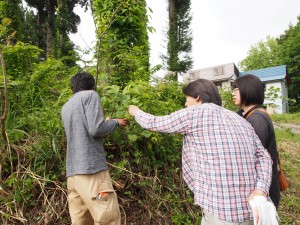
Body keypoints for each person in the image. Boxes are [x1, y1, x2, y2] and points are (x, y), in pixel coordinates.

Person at [128, 79, 273, 225]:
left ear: (197, 97)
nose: (185, 104)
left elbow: (155, 123)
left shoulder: (195, 113)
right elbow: (264, 156)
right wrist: (261, 189)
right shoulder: (239, 119)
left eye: (186, 99)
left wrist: (136, 112)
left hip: (221, 212)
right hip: (253, 211)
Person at [61, 72, 128, 225]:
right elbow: (96, 129)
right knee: (106, 215)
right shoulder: (91, 95)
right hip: (92, 176)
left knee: (81, 220)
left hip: (74, 178)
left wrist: (105, 123)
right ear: (92, 85)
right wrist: (115, 122)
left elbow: (84, 131)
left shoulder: (66, 106)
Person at [232, 74, 280, 209]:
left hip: (262, 190)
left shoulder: (256, 118)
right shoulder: (247, 114)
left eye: (236, 89)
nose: (233, 93)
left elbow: (255, 156)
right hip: (258, 188)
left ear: (248, 90)